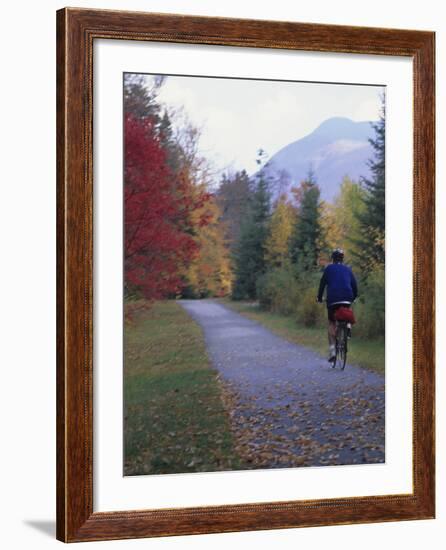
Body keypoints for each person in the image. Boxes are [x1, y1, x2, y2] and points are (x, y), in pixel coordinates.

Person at [317, 248, 358, 364]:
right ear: (342, 258)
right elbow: (354, 285)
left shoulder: (328, 269)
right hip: (347, 297)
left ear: (333, 259)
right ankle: (348, 325)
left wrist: (319, 298)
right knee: (348, 308)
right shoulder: (348, 269)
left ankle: (332, 351)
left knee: (331, 322)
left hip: (333, 298)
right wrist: (354, 296)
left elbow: (322, 284)